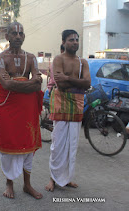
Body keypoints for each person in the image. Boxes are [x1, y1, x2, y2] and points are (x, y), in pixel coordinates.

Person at [0, 21, 43, 199]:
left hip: (27, 107)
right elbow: (5, 85)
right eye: (13, 33)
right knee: (9, 144)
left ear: (24, 36)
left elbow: (38, 85)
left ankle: (27, 185)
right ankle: (9, 183)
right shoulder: (1, 58)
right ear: (7, 36)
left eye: (20, 33)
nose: (17, 36)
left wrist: (18, 84)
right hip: (8, 107)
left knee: (29, 144)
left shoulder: (31, 58)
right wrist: (29, 83)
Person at [45, 29, 91, 192]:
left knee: (72, 144)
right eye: (71, 40)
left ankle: (67, 178)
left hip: (77, 105)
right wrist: (75, 82)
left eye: (77, 40)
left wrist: (68, 79)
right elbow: (60, 85)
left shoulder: (82, 62)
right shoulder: (58, 59)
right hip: (61, 104)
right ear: (64, 42)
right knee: (58, 144)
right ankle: (53, 178)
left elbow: (87, 83)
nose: (75, 42)